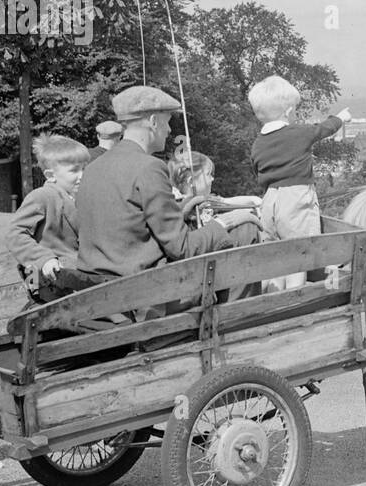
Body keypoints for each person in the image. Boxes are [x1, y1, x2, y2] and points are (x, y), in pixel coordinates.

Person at [73, 86, 260, 317]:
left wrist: (181, 211)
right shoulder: (148, 167)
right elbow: (182, 249)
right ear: (153, 122)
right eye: (168, 122)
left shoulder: (93, 167)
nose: (170, 130)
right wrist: (224, 223)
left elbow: (126, 221)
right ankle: (237, 322)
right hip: (147, 294)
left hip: (104, 288)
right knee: (246, 230)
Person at [249, 76, 351, 290]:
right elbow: (322, 129)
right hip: (295, 199)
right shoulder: (297, 133)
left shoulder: (258, 143)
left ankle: (272, 301)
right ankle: (294, 303)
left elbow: (257, 170)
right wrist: (341, 118)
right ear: (287, 111)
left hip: (270, 201)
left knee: (276, 257)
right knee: (299, 257)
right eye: (295, 109)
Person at [7, 134, 89, 303]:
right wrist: (44, 259)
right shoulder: (42, 196)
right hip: (52, 282)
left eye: (84, 169)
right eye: (74, 170)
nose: (82, 175)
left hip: (78, 277)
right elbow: (15, 234)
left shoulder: (81, 198)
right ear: (51, 175)